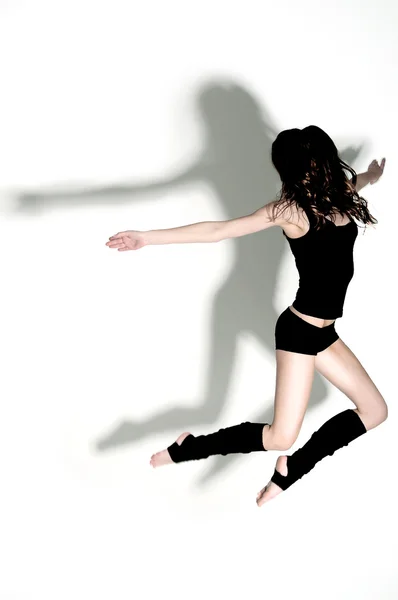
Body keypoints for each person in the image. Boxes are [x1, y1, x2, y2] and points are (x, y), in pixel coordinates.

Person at [106, 125, 387, 507]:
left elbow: (361, 179)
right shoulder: (289, 210)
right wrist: (147, 237)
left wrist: (373, 174)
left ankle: (292, 468)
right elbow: (220, 230)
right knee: (279, 437)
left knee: (374, 410)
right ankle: (190, 448)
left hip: (326, 333)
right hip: (299, 331)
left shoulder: (341, 192)